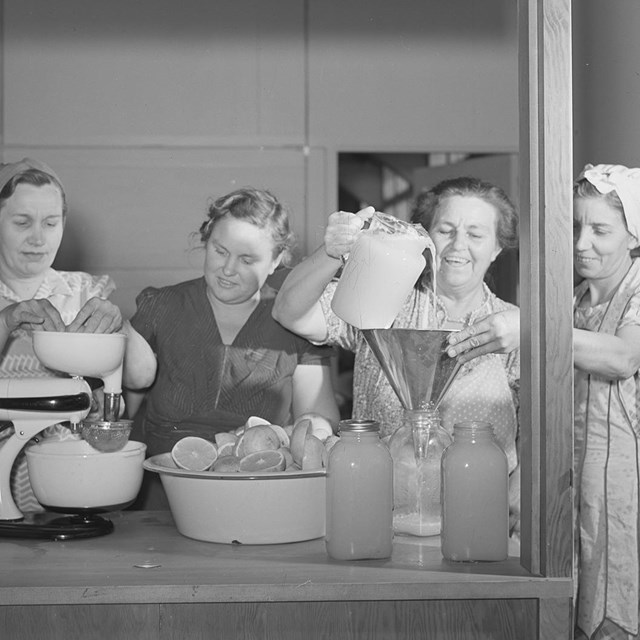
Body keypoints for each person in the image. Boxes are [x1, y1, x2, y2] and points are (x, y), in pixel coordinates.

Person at [273, 176, 521, 531]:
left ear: (498, 247)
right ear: (425, 237)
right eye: (446, 229)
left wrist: (519, 487)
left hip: (482, 514)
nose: (457, 245)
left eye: (476, 234)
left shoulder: (511, 327)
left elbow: (539, 423)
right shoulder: (382, 297)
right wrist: (330, 252)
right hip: (381, 511)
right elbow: (290, 312)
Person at [122, 187, 339, 463]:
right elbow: (120, 416)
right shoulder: (161, 306)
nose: (227, 269)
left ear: (275, 261)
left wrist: (310, 427)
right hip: (161, 483)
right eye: (220, 251)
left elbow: (317, 422)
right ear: (206, 240)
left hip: (257, 481)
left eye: (247, 260)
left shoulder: (297, 322)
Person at [0, 158, 123, 513]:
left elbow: (139, 378)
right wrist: (7, 320)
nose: (38, 238)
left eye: (50, 223)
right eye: (22, 222)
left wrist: (121, 330)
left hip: (67, 481)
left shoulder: (84, 292)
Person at [569, 164, 640, 640]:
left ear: (634, 235)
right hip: (572, 479)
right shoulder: (573, 300)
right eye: (575, 225)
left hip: (624, 486)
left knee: (615, 612)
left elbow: (622, 357)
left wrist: (534, 329)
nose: (580, 243)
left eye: (599, 230)